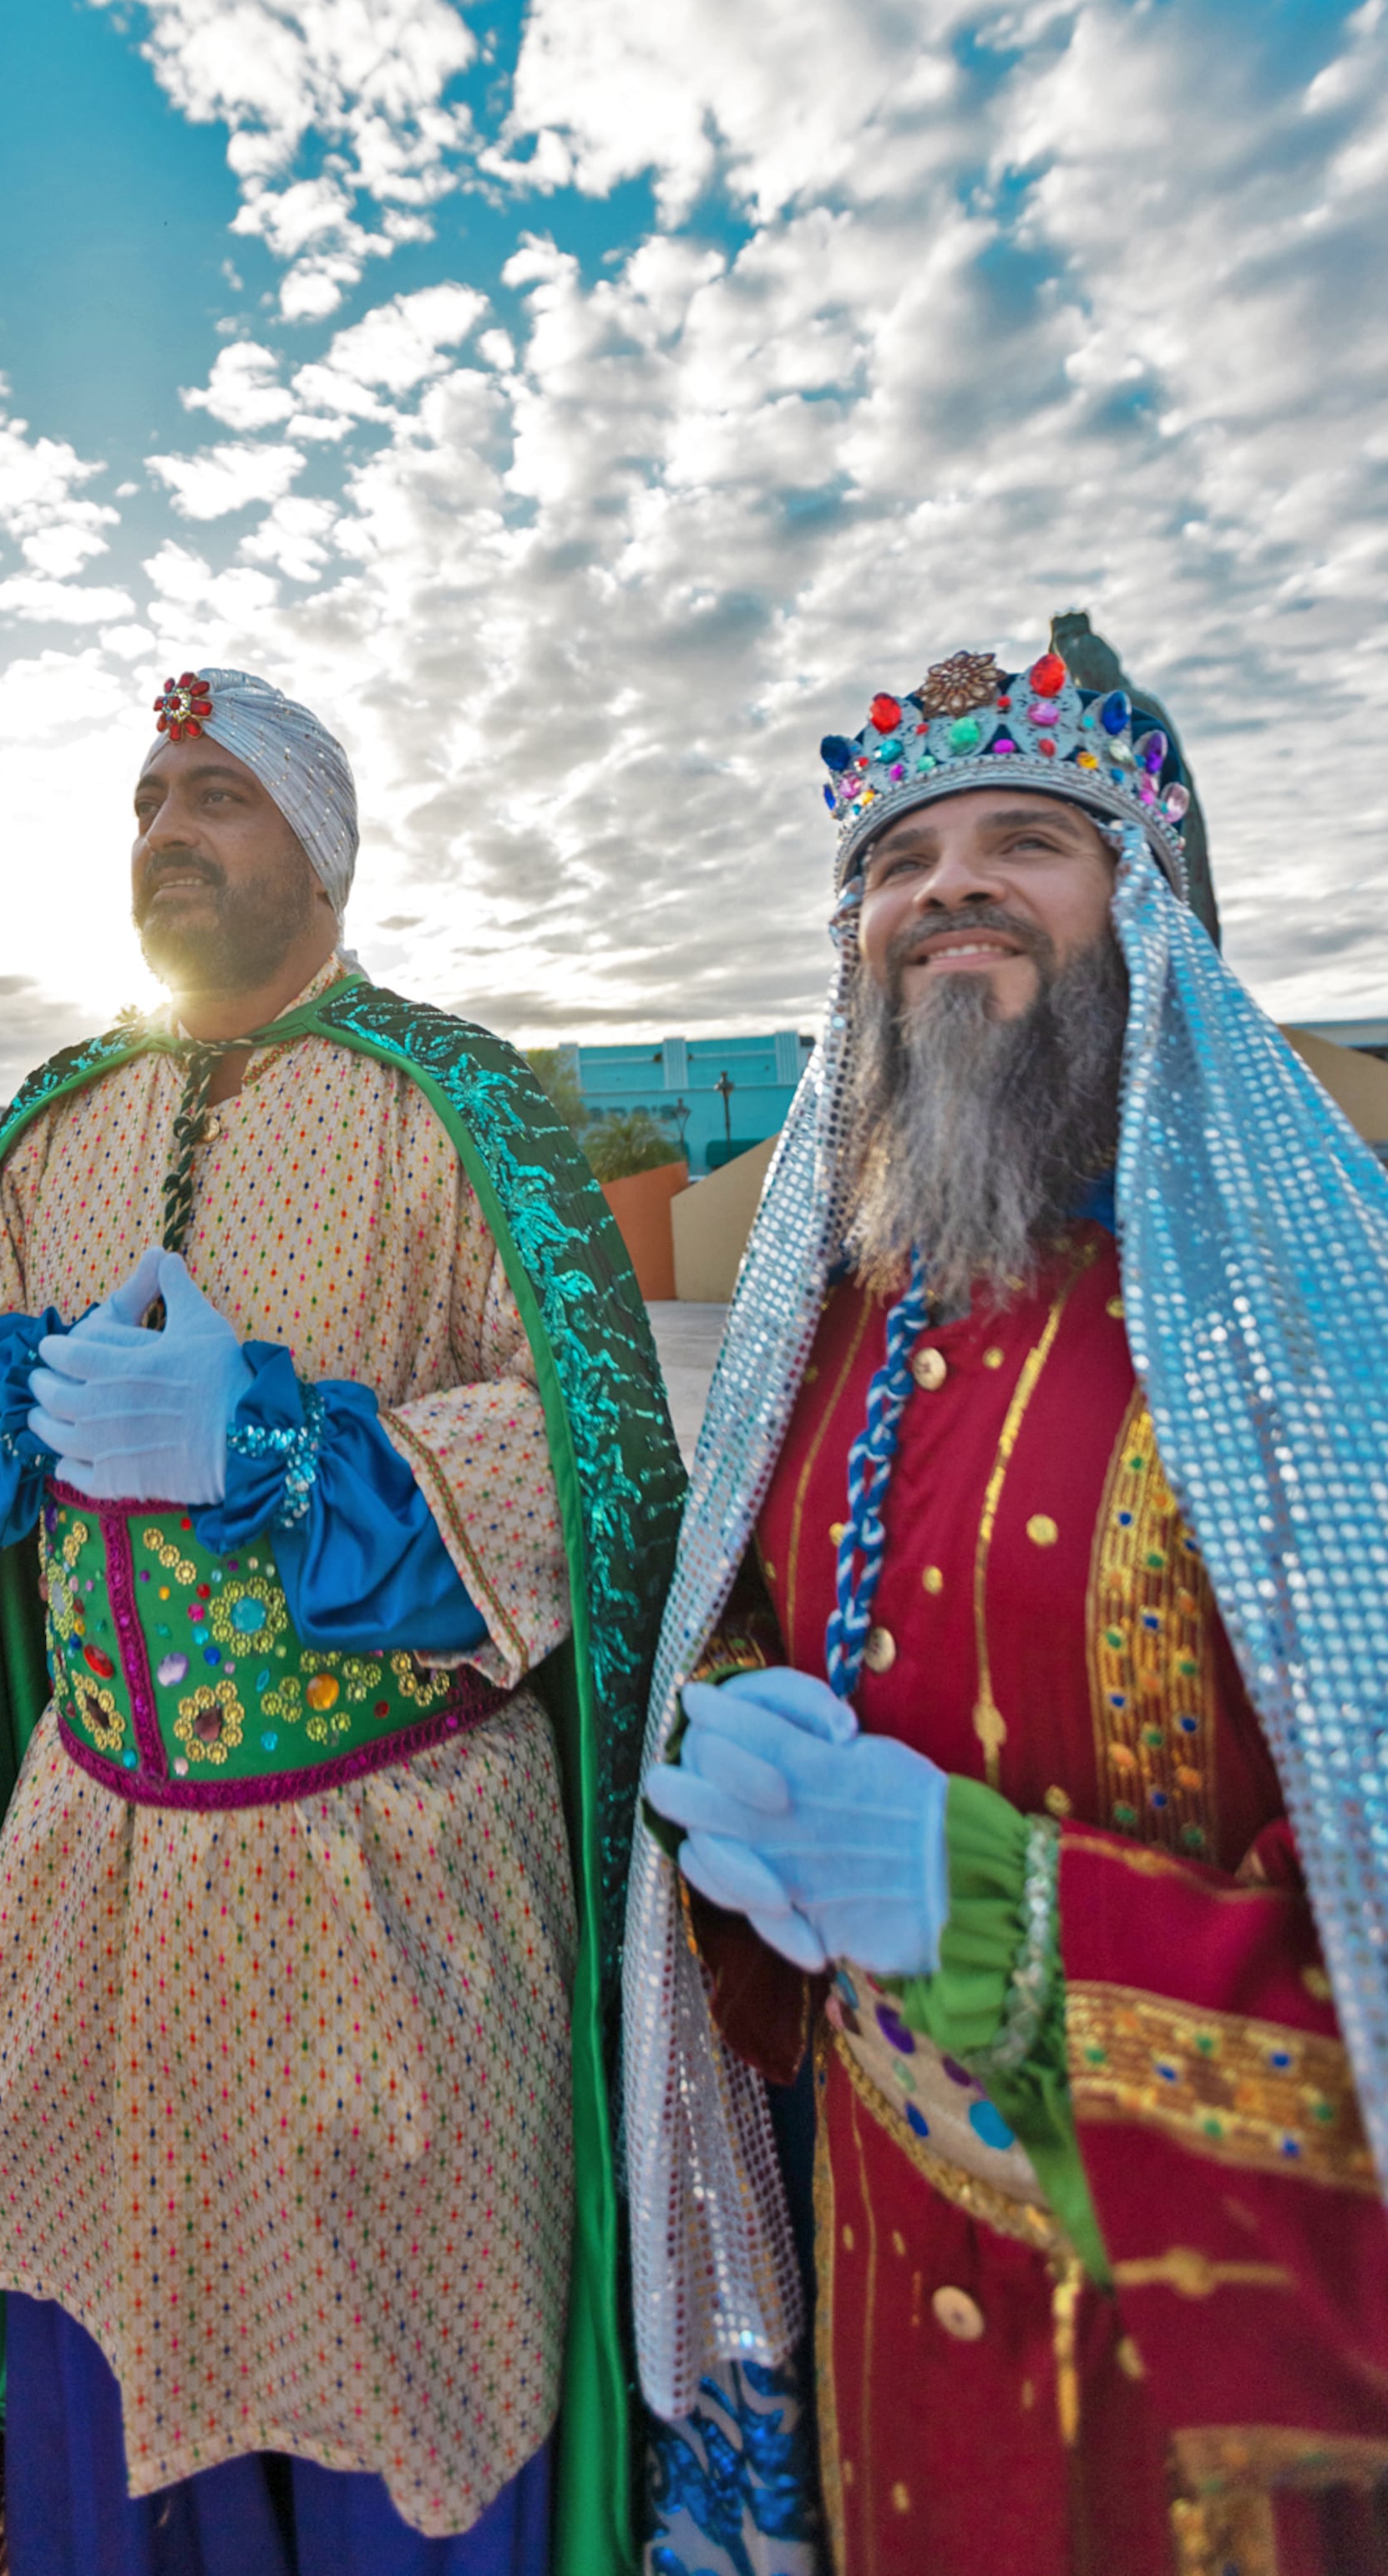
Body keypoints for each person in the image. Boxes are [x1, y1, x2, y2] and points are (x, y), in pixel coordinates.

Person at [0, 667, 685, 2576]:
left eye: (213, 793)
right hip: (85, 1885)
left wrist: (273, 1446)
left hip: (383, 1899)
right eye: (145, 799)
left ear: (321, 845)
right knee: (107, 2412)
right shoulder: (57, 1117)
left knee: (401, 2424)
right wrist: (11, 1394)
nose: (164, 830)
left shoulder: (453, 1103)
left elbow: (587, 1471)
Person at [623, 634, 1388, 2576]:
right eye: (898, 858)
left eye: (1024, 840)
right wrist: (722, 1734)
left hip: (1202, 2405)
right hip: (885, 2306)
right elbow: (750, 1611)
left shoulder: (1308, 1335)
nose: (946, 883)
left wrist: (1007, 1923)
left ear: (1146, 917)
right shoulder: (827, 1329)